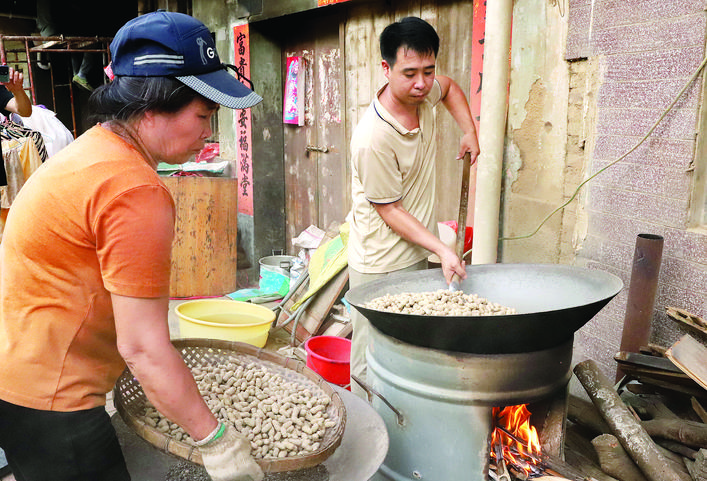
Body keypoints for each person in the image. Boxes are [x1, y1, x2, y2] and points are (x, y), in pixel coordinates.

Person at [0, 11, 263, 481]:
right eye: (203, 115)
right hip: (54, 401)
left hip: (19, 377)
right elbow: (142, 346)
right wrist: (218, 442)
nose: (208, 132)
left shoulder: (96, 147)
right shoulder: (134, 188)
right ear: (150, 108)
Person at [347, 16, 480, 394]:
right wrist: (442, 247)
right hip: (379, 263)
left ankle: (403, 437)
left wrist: (469, 131)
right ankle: (366, 442)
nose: (421, 83)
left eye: (428, 70)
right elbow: (389, 210)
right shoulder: (373, 139)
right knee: (371, 361)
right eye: (409, 73)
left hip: (414, 250)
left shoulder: (424, 96)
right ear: (386, 69)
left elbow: (450, 88)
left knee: (406, 355)